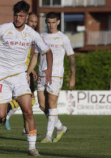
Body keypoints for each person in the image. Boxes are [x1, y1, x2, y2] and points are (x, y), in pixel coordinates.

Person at [0, 0, 53, 156]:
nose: (18, 18)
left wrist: (48, 71)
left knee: (28, 110)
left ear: (26, 16)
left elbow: (47, 51)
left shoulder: (31, 33)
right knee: (0, 115)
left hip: (20, 77)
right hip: (2, 79)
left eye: (21, 16)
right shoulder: (3, 29)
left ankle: (32, 148)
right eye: (16, 15)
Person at [0, 12, 39, 131]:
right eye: (31, 21)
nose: (34, 24)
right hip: (18, 73)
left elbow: (30, 56)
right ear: (26, 20)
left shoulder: (31, 35)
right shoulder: (16, 33)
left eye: (36, 22)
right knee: (27, 101)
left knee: (27, 101)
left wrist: (31, 70)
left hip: (25, 71)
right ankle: (0, 119)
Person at [28, 12, 75, 143]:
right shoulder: (41, 36)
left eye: (53, 22)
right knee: (43, 106)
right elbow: (35, 56)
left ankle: (48, 135)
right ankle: (60, 127)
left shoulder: (63, 38)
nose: (51, 25)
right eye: (49, 22)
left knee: (51, 103)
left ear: (58, 22)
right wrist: (28, 72)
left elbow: (71, 57)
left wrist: (72, 77)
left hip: (55, 75)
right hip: (42, 75)